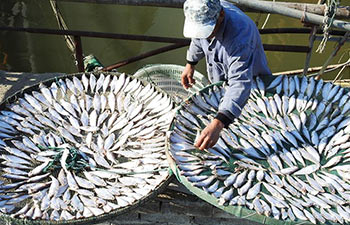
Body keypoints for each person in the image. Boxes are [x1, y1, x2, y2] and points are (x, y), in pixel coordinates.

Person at [181, 0, 271, 150]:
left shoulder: (241, 36)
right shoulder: (203, 12)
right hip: (220, 73)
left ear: (221, 15)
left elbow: (240, 82)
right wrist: (191, 63)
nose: (206, 35)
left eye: (208, 30)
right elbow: (197, 38)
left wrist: (218, 123)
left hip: (250, 80)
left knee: (256, 116)